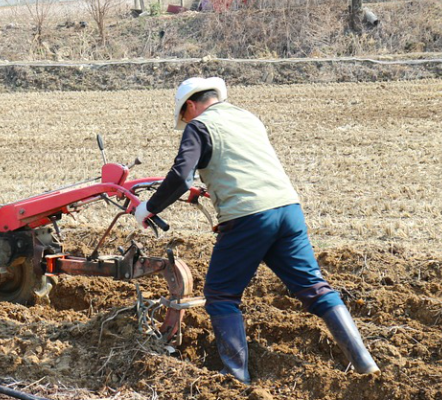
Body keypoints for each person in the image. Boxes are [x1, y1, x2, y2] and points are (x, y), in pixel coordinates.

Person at [134, 77, 380, 384]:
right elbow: (238, 164)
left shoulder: (199, 126)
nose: (185, 123)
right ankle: (364, 362)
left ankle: (236, 377)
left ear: (191, 106)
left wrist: (149, 207)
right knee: (314, 287)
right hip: (288, 209)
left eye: (184, 116)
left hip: (248, 217)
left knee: (221, 294)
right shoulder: (247, 118)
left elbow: (180, 177)